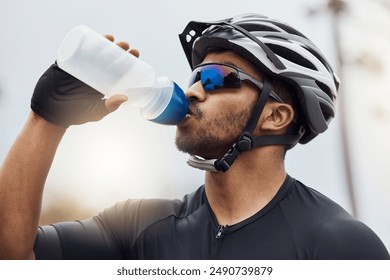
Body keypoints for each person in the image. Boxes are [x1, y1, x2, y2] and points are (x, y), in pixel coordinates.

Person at [0, 13, 389, 260]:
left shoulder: (340, 246)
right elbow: (12, 255)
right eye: (194, 77)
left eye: (217, 79)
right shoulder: (138, 226)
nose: (193, 91)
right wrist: (46, 119)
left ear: (275, 116)